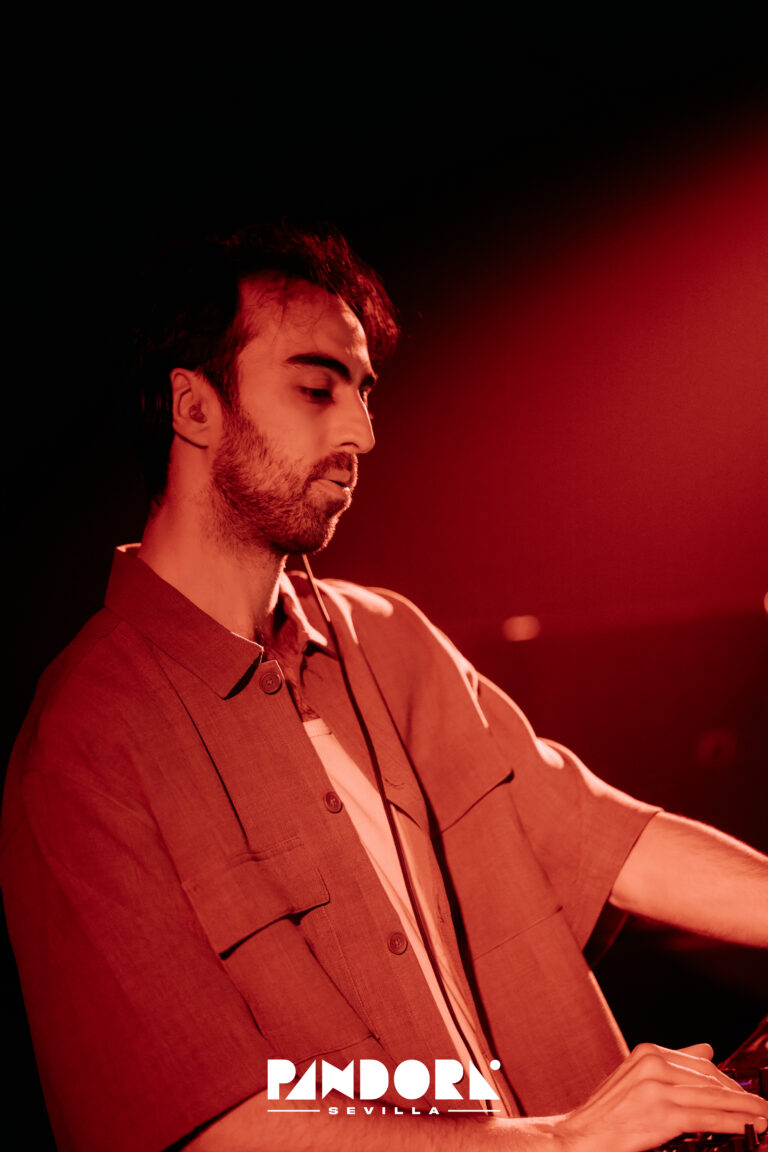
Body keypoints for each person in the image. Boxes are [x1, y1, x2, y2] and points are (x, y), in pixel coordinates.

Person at [1, 223, 766, 1152]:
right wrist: (562, 1144)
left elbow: (605, 841)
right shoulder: (82, 745)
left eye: (363, 394)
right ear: (193, 407)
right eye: (317, 388)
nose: (362, 432)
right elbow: (211, 1129)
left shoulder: (390, 639)